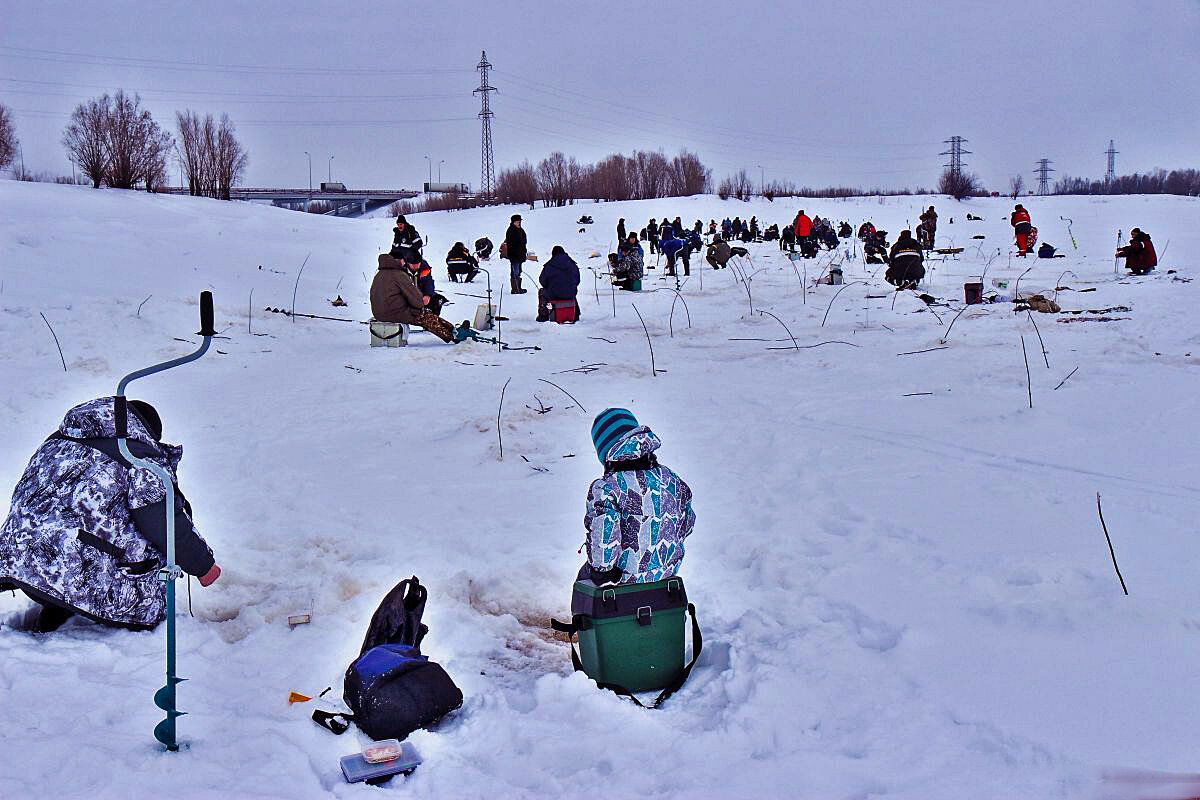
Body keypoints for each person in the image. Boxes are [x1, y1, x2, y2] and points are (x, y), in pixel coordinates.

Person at [0, 398, 220, 632]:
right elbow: (162, 520)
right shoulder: (138, 458)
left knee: (79, 526)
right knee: (128, 543)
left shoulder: (57, 442)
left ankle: (55, 611)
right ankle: (123, 634)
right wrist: (202, 565)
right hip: (76, 570)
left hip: (17, 555)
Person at [579, 408, 695, 586]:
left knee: (584, 581)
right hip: (668, 576)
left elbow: (604, 538)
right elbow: (687, 523)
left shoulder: (607, 488)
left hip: (625, 582)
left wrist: (603, 572)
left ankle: (583, 614)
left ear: (604, 451)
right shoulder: (670, 478)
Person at [371, 253, 456, 342]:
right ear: (399, 261)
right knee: (426, 317)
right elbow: (417, 301)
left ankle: (453, 330)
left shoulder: (378, 275)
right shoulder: (399, 275)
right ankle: (453, 336)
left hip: (379, 314)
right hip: (395, 313)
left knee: (425, 314)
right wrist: (419, 306)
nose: (404, 262)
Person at [536, 245, 580, 323]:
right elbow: (577, 281)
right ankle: (575, 314)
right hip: (570, 294)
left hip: (553, 294)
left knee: (542, 292)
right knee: (570, 291)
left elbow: (543, 281)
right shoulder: (573, 265)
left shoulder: (549, 265)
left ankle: (543, 315)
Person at [504, 214, 528, 294]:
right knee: (515, 272)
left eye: (519, 221)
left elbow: (524, 240)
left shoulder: (520, 229)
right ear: (513, 222)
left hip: (520, 255)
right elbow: (512, 244)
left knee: (519, 271)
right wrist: (514, 254)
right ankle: (515, 289)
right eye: (517, 221)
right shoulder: (511, 230)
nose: (519, 223)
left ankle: (518, 288)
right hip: (514, 255)